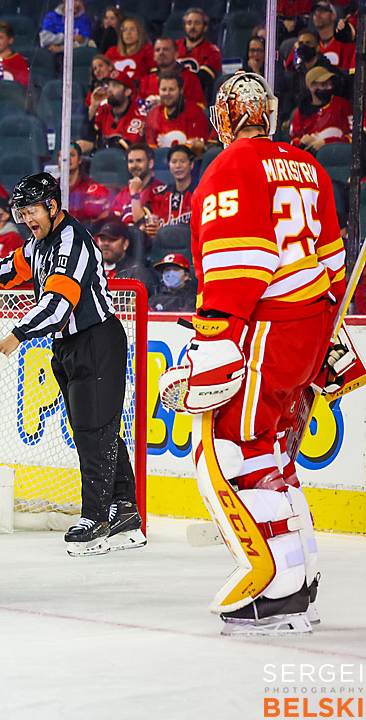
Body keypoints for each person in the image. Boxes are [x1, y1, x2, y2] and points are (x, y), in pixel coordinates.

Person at [165, 71, 345, 634]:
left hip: (265, 328)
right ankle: (303, 575)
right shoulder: (308, 165)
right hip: (311, 324)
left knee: (234, 455)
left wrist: (214, 343)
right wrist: (324, 343)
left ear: (224, 116)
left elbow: (237, 268)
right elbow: (334, 263)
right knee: (274, 456)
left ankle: (277, 588)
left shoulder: (231, 167)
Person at [0, 172, 143, 557]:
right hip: (68, 346)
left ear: (52, 206)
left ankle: (97, 518)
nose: (27, 219)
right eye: (22, 213)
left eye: (32, 211)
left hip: (96, 342)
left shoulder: (74, 242)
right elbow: (12, 268)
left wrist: (14, 337)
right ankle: (125, 513)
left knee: (94, 432)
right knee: (96, 430)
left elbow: (56, 306)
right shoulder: (39, 243)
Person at [133, 144, 196, 239]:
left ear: (191, 164)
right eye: (174, 162)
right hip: (163, 247)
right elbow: (140, 220)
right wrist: (145, 228)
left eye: (182, 161)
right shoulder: (160, 194)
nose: (178, 166)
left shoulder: (200, 192)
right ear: (169, 165)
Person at [144, 69, 212, 152]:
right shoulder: (153, 115)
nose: (167, 93)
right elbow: (151, 151)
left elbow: (198, 150)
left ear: (181, 91)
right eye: (163, 89)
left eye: (172, 89)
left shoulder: (195, 113)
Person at [78, 70, 146, 152]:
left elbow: (124, 147)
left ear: (127, 92)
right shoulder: (104, 110)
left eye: (115, 86)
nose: (109, 90)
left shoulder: (138, 113)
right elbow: (86, 137)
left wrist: (93, 146)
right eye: (109, 85)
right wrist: (93, 108)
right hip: (103, 159)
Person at [289, 66, 353, 151]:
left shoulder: (342, 105)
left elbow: (352, 137)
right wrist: (301, 142)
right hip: (310, 160)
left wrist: (325, 143)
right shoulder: (301, 110)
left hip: (336, 156)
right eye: (324, 85)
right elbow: (292, 141)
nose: (329, 88)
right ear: (311, 87)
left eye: (331, 84)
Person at [137, 38, 205, 112]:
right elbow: (137, 107)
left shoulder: (190, 79)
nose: (161, 53)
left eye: (166, 49)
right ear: (154, 56)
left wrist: (168, 104)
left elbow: (201, 108)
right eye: (157, 50)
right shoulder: (146, 80)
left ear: (176, 54)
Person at [95, 218, 154, 296]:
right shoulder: (92, 267)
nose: (106, 243)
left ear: (125, 244)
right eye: (102, 239)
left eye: (112, 240)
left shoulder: (137, 272)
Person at [67, 143, 113, 226]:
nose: (67, 159)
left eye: (72, 155)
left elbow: (103, 212)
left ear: (80, 160)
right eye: (62, 155)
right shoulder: (53, 186)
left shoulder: (91, 186)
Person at [176, 8, 222, 91]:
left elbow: (204, 79)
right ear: (184, 26)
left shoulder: (213, 51)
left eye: (197, 23)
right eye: (189, 23)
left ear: (205, 27)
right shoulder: (173, 46)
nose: (192, 27)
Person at [110, 143, 159, 219]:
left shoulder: (159, 192)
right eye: (130, 161)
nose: (134, 165)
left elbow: (145, 224)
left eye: (139, 161)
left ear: (150, 163)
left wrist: (134, 194)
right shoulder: (122, 195)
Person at [310, 0, 355, 72]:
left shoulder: (345, 43)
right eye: (315, 12)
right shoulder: (310, 44)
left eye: (323, 11)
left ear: (333, 16)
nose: (317, 14)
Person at [105, 16, 153, 80]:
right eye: (125, 30)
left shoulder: (147, 50)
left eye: (132, 29)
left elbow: (153, 74)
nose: (128, 33)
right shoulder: (112, 51)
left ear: (139, 33)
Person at [85, 54, 114, 120]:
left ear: (110, 67)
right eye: (95, 69)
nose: (98, 70)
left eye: (100, 66)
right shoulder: (93, 93)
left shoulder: (120, 86)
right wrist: (93, 107)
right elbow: (88, 119)